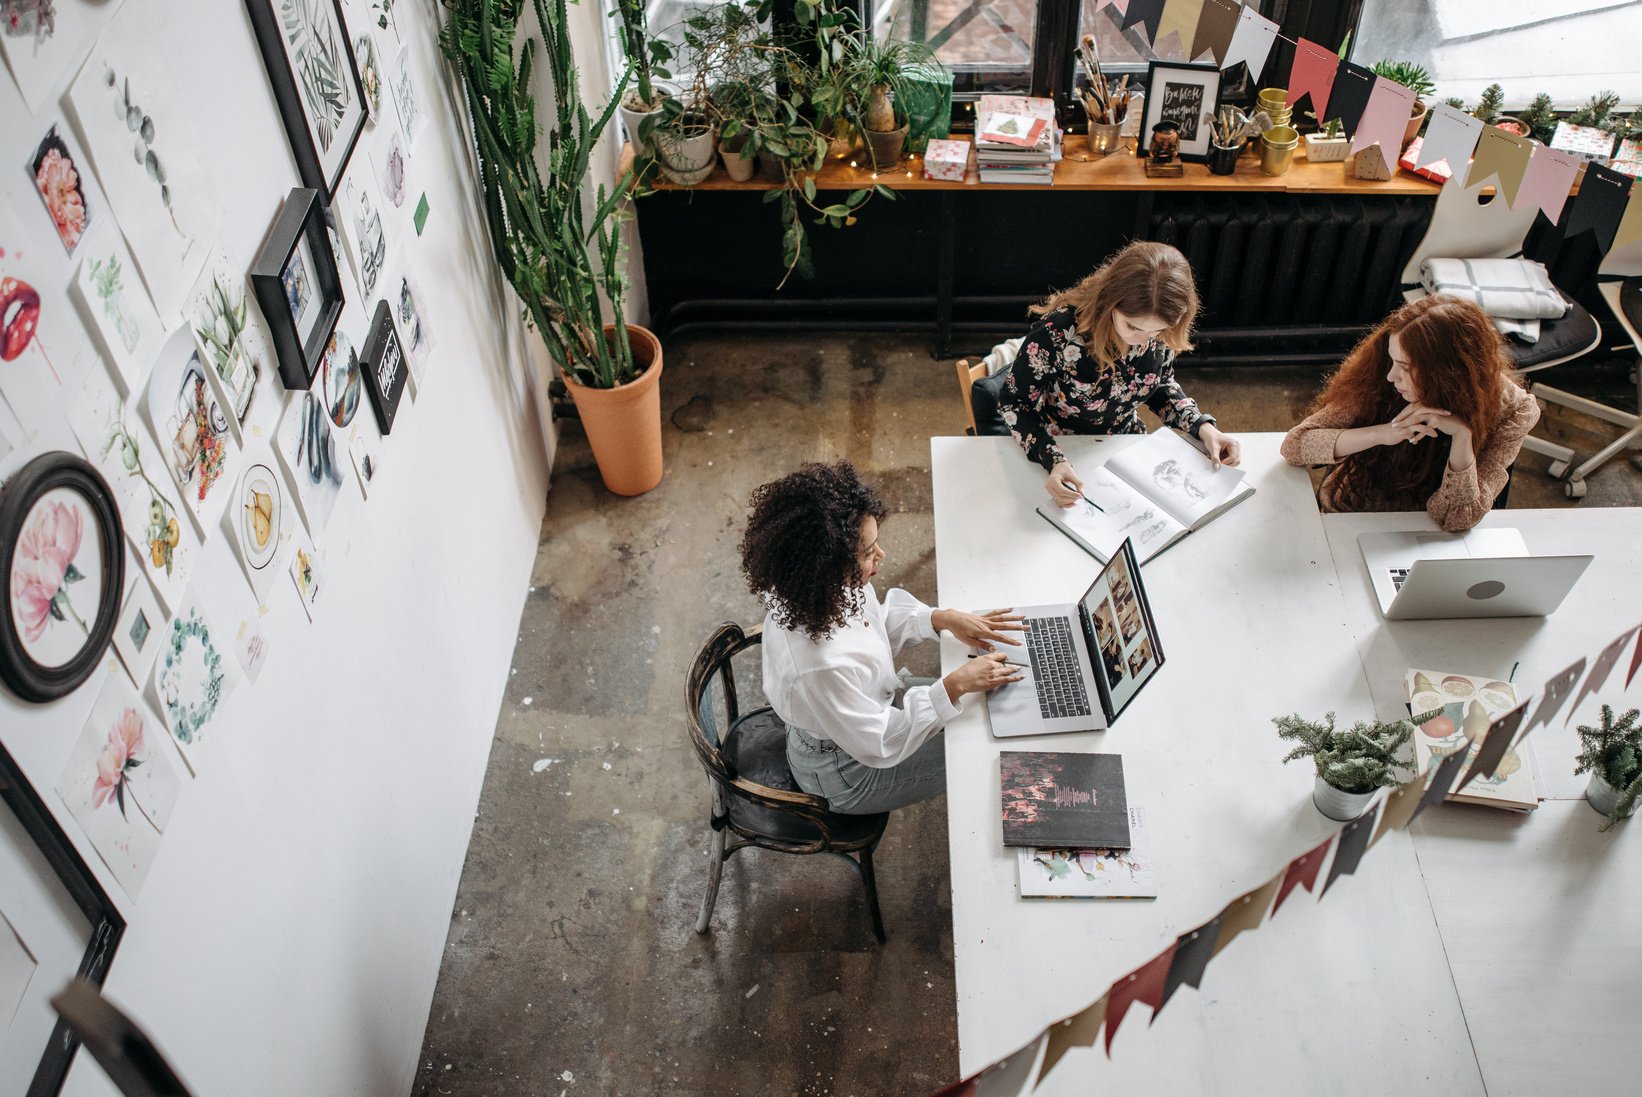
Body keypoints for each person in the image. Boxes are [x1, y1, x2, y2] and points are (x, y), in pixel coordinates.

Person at [740, 462, 1025, 814]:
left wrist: (940, 619)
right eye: (868, 552)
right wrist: (951, 686)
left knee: (998, 704)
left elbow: (870, 627)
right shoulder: (819, 664)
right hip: (848, 769)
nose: (882, 555)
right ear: (827, 564)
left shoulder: (818, 590)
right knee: (987, 752)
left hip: (859, 716)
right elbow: (880, 742)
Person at [998, 241, 1242, 508]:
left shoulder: (1157, 335)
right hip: (1060, 447)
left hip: (1127, 444)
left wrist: (1202, 426)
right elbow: (1014, 402)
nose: (1144, 340)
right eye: (1133, 327)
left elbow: (1158, 386)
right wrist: (1053, 459)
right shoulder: (1059, 332)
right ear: (1110, 301)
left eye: (1158, 331)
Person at [1280, 294, 1539, 532]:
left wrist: (1462, 436)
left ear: (1447, 373)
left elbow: (1456, 518)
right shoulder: (1379, 376)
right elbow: (1296, 446)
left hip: (1427, 534)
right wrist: (1384, 433)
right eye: (1393, 361)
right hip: (1351, 515)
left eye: (1405, 367)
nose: (1392, 376)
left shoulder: (1515, 409)